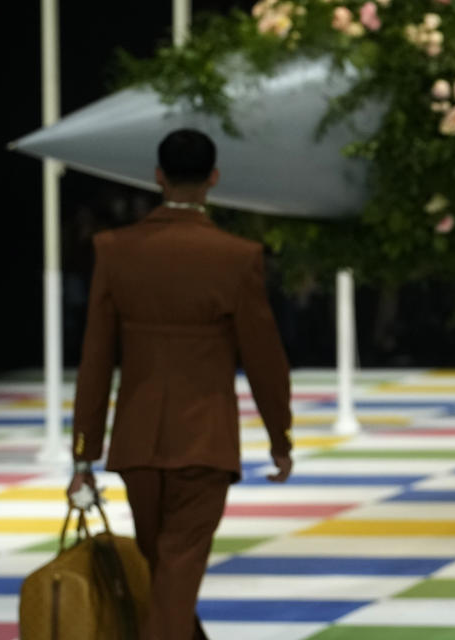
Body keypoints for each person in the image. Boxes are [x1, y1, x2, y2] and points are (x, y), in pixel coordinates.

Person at [66, 128, 294, 640]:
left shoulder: (114, 250)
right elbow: (265, 361)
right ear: (213, 178)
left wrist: (84, 454)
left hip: (138, 443)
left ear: (157, 176)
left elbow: (96, 360)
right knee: (173, 578)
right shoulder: (237, 257)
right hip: (204, 443)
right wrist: (280, 438)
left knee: (167, 576)